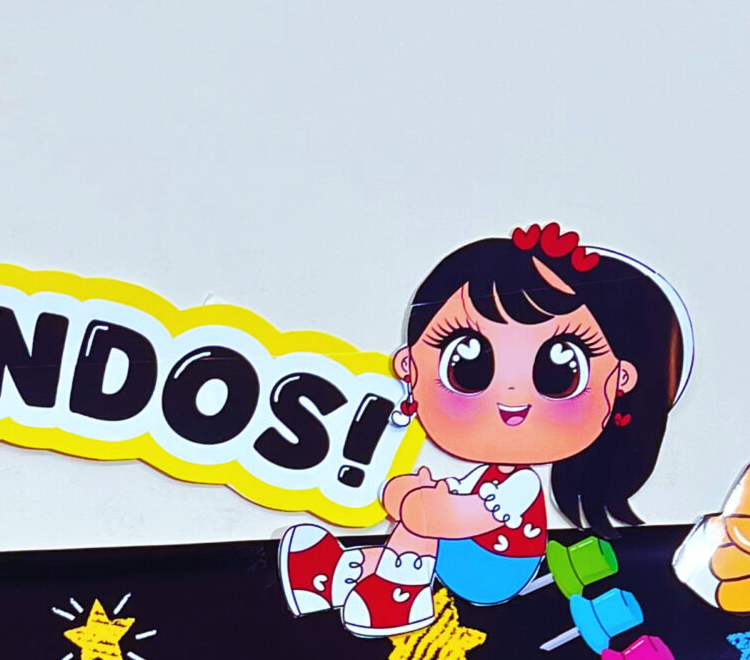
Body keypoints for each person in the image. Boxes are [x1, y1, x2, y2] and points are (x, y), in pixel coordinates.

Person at [280, 224, 689, 637]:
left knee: (423, 525)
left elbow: (460, 518)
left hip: (496, 565)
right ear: (409, 365)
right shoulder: (492, 473)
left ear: (620, 379)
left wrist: (415, 502)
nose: (512, 395)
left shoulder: (522, 484)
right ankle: (341, 576)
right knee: (421, 521)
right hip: (470, 551)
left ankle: (400, 598)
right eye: (468, 365)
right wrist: (412, 497)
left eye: (559, 371)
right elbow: (443, 508)